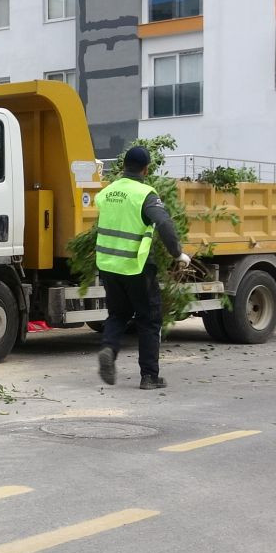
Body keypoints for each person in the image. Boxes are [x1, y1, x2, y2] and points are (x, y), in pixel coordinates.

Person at [94, 146, 191, 390]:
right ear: (146, 169)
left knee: (118, 314)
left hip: (107, 264)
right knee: (148, 319)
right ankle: (149, 376)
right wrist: (177, 253)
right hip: (136, 266)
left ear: (124, 166)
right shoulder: (145, 194)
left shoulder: (107, 192)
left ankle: (109, 348)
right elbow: (164, 223)